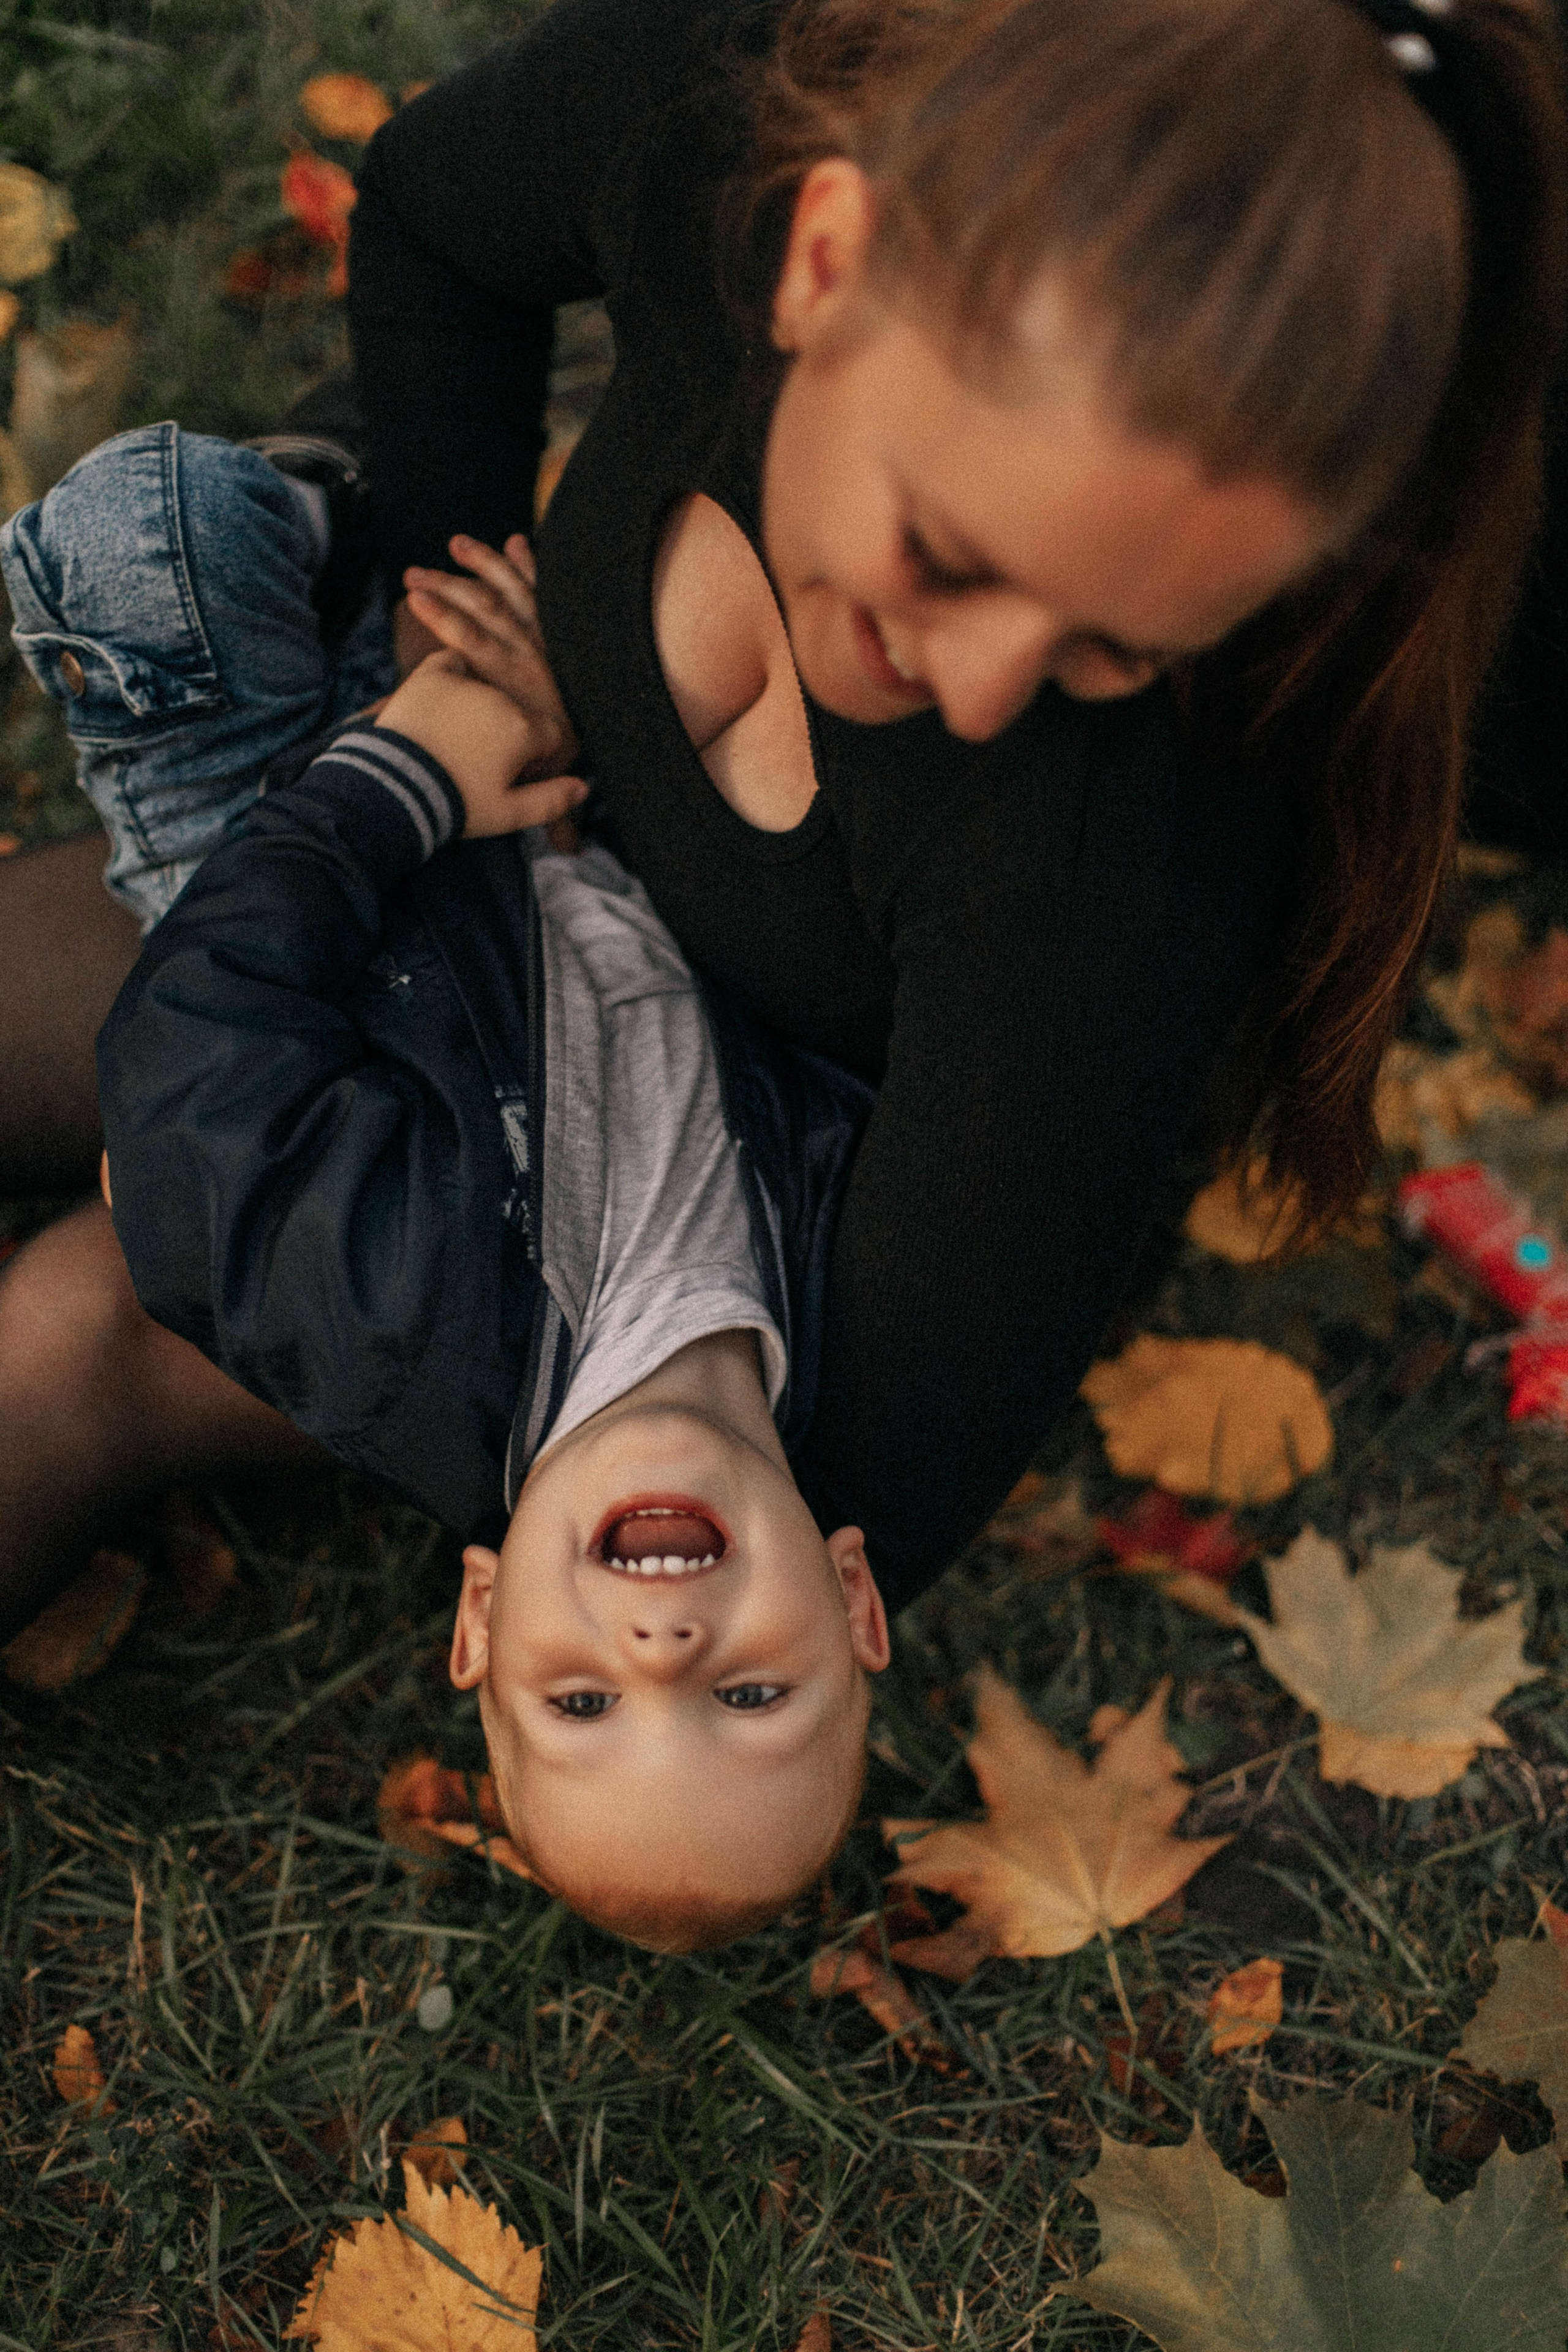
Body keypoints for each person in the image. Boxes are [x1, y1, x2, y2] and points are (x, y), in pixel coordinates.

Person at [2, 0, 1564, 1618]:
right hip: (483, 858)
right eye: (950, 558)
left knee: (75, 1329)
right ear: (828, 260)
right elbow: (432, 216)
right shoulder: (727, 118)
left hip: (686, 1195)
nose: (979, 688)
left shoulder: (1105, 876)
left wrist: (330, 1261)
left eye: (1111, 646)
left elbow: (866, 1464)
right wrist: (434, 624)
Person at [7, 421, 889, 1949]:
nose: (666, 1644)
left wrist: (401, 772)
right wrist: (604, 717)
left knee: (148, 533)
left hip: (343, 863)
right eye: (750, 1692)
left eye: (582, 1696)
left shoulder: (393, 1315)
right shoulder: (858, 1266)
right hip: (554, 829)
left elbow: (200, 1050)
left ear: (479, 1618)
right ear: (858, 1606)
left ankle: (320, 559)